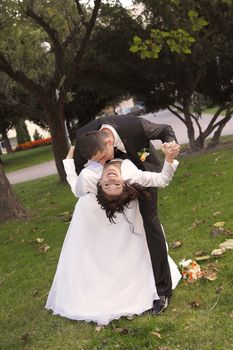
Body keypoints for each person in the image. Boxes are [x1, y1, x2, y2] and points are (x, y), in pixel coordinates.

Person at [45, 144, 181, 325]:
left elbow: (74, 185)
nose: (111, 180)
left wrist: (70, 155)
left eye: (109, 184)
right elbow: (163, 179)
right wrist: (169, 158)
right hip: (98, 216)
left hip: (104, 210)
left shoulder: (91, 177)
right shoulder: (130, 176)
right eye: (116, 184)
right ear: (124, 184)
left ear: (99, 184)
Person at [73, 114, 180, 314]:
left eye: (103, 156)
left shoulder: (135, 126)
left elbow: (165, 130)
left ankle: (162, 291)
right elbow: (82, 171)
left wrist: (171, 148)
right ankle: (121, 287)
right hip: (110, 185)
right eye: (98, 161)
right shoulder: (84, 137)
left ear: (108, 141)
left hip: (142, 173)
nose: (104, 161)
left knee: (150, 223)